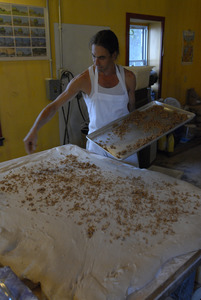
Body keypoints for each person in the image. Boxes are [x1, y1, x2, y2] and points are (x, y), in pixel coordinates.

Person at [24, 30, 136, 158]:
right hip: (98, 148)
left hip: (125, 145)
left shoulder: (128, 78)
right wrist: (34, 130)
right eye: (94, 56)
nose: (96, 62)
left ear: (114, 55)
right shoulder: (84, 80)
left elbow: (131, 109)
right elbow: (54, 106)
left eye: (102, 58)